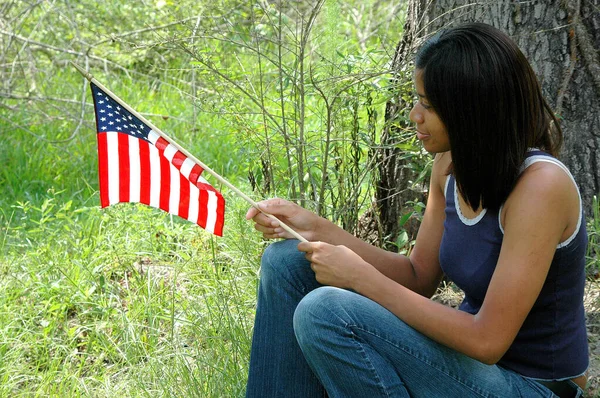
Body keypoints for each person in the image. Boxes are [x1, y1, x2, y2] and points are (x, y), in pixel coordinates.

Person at [244, 22, 588, 398]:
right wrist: (317, 227)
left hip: (535, 386)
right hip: (467, 368)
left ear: (471, 111)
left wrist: (360, 279)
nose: (414, 115)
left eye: (428, 105)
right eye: (417, 99)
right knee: (285, 260)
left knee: (326, 311)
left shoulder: (540, 188)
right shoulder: (450, 164)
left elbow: (488, 341)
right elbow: (418, 276)